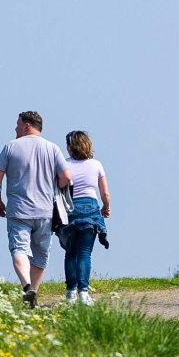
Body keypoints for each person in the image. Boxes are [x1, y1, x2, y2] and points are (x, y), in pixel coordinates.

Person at [0, 111, 73, 308]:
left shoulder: (10, 147)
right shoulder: (52, 148)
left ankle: (26, 286)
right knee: (40, 255)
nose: (15, 128)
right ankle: (33, 293)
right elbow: (66, 177)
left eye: (18, 124)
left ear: (27, 125)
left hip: (18, 210)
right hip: (45, 211)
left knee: (19, 249)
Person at [59, 130, 111, 305]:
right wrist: (106, 208)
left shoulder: (64, 165)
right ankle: (83, 292)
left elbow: (57, 188)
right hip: (90, 208)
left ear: (70, 147)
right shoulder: (96, 165)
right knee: (84, 253)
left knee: (70, 253)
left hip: (70, 210)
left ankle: (70, 293)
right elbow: (105, 193)